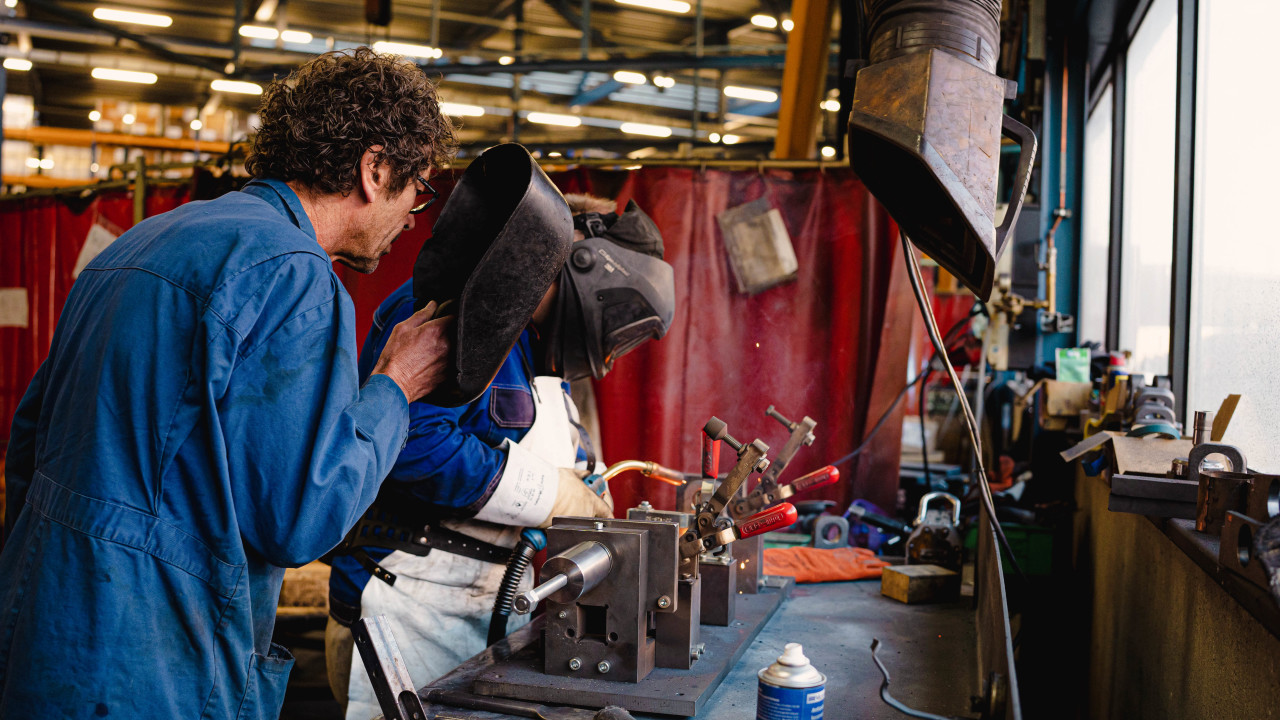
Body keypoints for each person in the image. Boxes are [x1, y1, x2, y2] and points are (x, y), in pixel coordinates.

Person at [0, 48, 458, 719]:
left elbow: (29, 440)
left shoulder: (142, 241)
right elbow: (299, 521)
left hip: (42, 636)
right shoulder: (297, 275)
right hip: (153, 668)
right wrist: (396, 385)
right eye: (418, 189)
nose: (415, 216)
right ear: (375, 168)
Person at [326, 193, 676, 719]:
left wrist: (585, 487)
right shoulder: (449, 305)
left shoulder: (531, 347)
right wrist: (549, 493)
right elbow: (411, 443)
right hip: (400, 610)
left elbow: (556, 454)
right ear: (583, 267)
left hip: (481, 614)